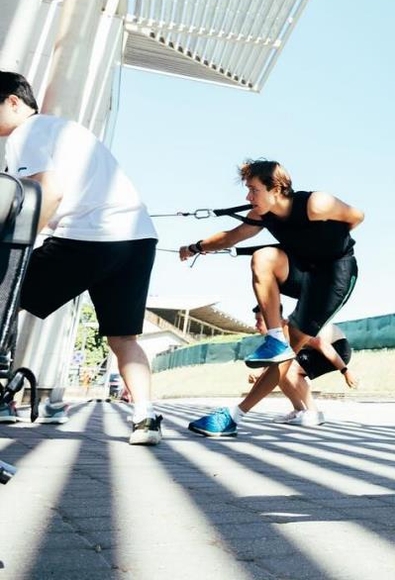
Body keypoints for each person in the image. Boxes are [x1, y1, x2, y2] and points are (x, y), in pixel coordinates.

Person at [0, 71, 162, 445]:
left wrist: (21, 251)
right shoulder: (64, 129)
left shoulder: (27, 133)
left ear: (13, 101)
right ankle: (145, 418)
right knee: (124, 338)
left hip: (88, 239)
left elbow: (49, 193)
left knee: (6, 299)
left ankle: (4, 400)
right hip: (136, 239)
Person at [179, 160, 362, 435]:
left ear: (275, 188)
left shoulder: (316, 204)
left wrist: (325, 243)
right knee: (262, 257)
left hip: (334, 276)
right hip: (302, 269)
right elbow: (232, 237)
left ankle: (235, 416)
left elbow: (357, 217)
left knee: (292, 351)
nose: (248, 197)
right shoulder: (263, 214)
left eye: (253, 190)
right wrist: (196, 247)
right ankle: (275, 339)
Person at [190, 314, 357, 437]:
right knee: (282, 369)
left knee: (290, 369)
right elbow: (280, 362)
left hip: (337, 349)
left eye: (259, 320)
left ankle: (313, 413)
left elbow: (321, 344)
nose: (256, 325)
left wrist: (345, 371)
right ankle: (299, 411)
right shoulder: (279, 336)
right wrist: (261, 372)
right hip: (323, 349)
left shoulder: (292, 329)